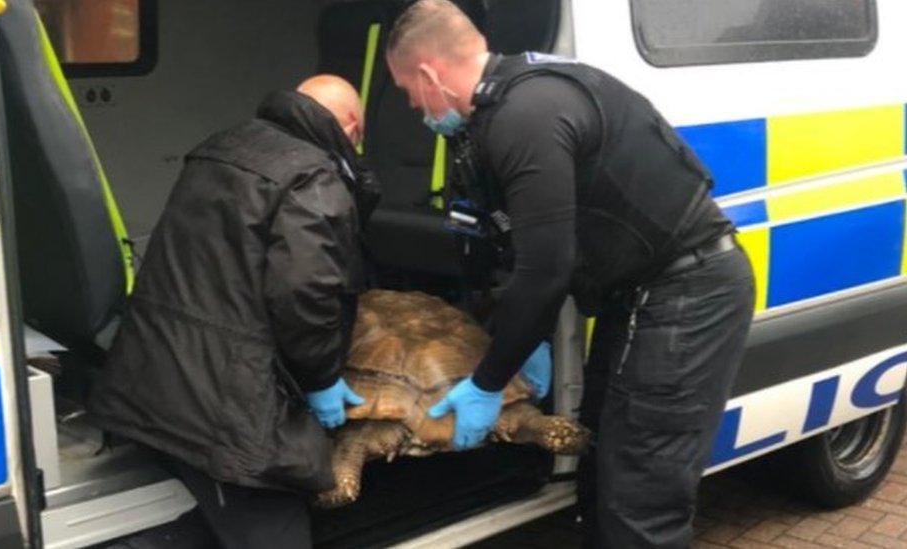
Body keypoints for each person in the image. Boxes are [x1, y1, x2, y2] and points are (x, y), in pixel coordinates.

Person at [385, 2, 756, 547]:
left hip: (687, 292)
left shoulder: (526, 114)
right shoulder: (501, 110)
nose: (414, 104)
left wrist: (490, 381)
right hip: (640, 295)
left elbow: (545, 270)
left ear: (428, 74)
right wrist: (517, 338)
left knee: (640, 495)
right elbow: (516, 246)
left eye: (406, 90)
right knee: (602, 462)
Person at [88, 75, 381, 549]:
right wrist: (321, 377)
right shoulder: (313, 175)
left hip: (154, 372)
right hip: (220, 405)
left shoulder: (224, 146)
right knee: (274, 530)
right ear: (350, 127)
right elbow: (306, 293)